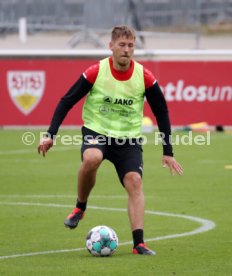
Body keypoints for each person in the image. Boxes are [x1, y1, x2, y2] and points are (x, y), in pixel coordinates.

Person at [38, 25, 183, 255]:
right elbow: (66, 101)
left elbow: (161, 111)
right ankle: (80, 207)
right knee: (92, 157)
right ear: (111, 47)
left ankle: (139, 244)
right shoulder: (96, 71)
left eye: (131, 46)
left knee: (135, 181)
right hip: (97, 132)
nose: (126, 50)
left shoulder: (143, 76)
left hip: (128, 139)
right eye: (122, 45)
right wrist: (50, 135)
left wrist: (168, 151)